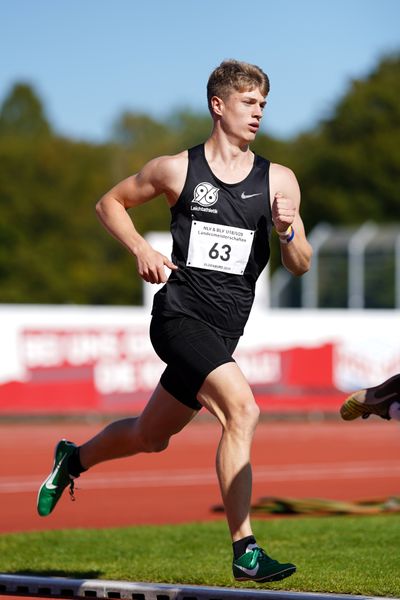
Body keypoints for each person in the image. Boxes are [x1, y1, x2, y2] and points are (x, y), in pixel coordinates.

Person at [37, 59, 312, 583]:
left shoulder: (279, 180)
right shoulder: (176, 170)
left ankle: (73, 460)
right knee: (243, 410)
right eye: (249, 102)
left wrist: (287, 232)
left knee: (149, 435)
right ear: (218, 105)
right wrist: (140, 247)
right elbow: (109, 203)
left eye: (263, 105)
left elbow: (300, 263)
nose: (258, 113)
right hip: (178, 317)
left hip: (224, 331)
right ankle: (245, 550)